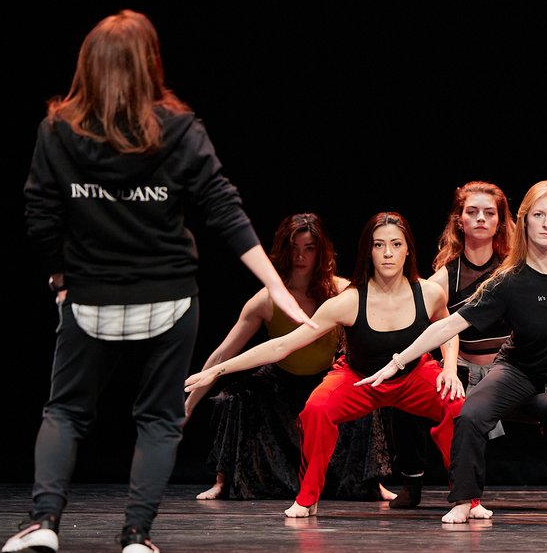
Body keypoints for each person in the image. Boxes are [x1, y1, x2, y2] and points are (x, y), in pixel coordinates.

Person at [4, 10, 311, 553]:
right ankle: (136, 538)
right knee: (158, 418)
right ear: (151, 64)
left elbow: (39, 214)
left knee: (66, 412)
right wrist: (276, 285)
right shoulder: (177, 126)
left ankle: (42, 522)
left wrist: (59, 276)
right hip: (168, 298)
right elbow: (224, 207)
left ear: (88, 65)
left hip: (91, 296)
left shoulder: (59, 128)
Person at [359, 181, 547, 524]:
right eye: (539, 215)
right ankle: (464, 500)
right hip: (521, 367)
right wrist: (397, 361)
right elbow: (448, 325)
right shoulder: (507, 280)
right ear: (525, 221)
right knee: (471, 415)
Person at [184, 212, 465, 519]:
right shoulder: (349, 299)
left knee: (459, 407)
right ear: (368, 251)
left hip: (413, 376)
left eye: (396, 244)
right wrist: (217, 369)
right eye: (379, 245)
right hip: (358, 379)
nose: (387, 253)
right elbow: (283, 345)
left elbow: (447, 330)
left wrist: (449, 368)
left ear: (408, 249)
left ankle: (468, 498)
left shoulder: (429, 292)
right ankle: (307, 498)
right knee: (317, 409)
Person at [185, 212, 371, 501]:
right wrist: (188, 405)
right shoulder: (267, 299)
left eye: (309, 248)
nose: (301, 256)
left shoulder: (341, 291)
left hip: (325, 377)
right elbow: (223, 353)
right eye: (294, 248)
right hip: (280, 381)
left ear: (320, 252)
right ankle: (223, 481)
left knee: (369, 391)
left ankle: (374, 483)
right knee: (234, 398)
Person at [428, 181, 547, 510]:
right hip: (465, 372)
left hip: (512, 373)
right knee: (413, 402)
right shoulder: (445, 277)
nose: (481, 218)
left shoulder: (514, 271)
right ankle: (420, 484)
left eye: (489, 213)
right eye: (472, 212)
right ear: (459, 219)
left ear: (501, 220)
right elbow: (427, 324)